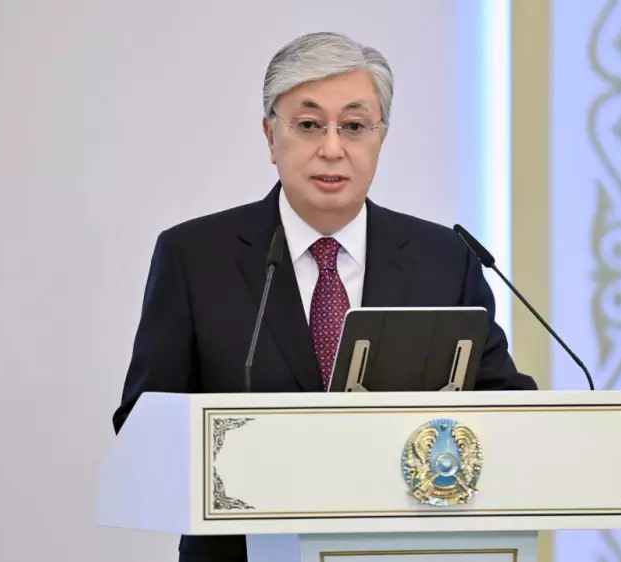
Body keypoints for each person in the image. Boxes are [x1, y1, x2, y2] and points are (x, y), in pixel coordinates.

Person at [112, 31, 537, 562]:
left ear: (381, 138)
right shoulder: (194, 257)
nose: (332, 148)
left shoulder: (445, 259)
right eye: (309, 125)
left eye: (354, 126)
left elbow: (501, 406)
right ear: (271, 136)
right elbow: (143, 426)